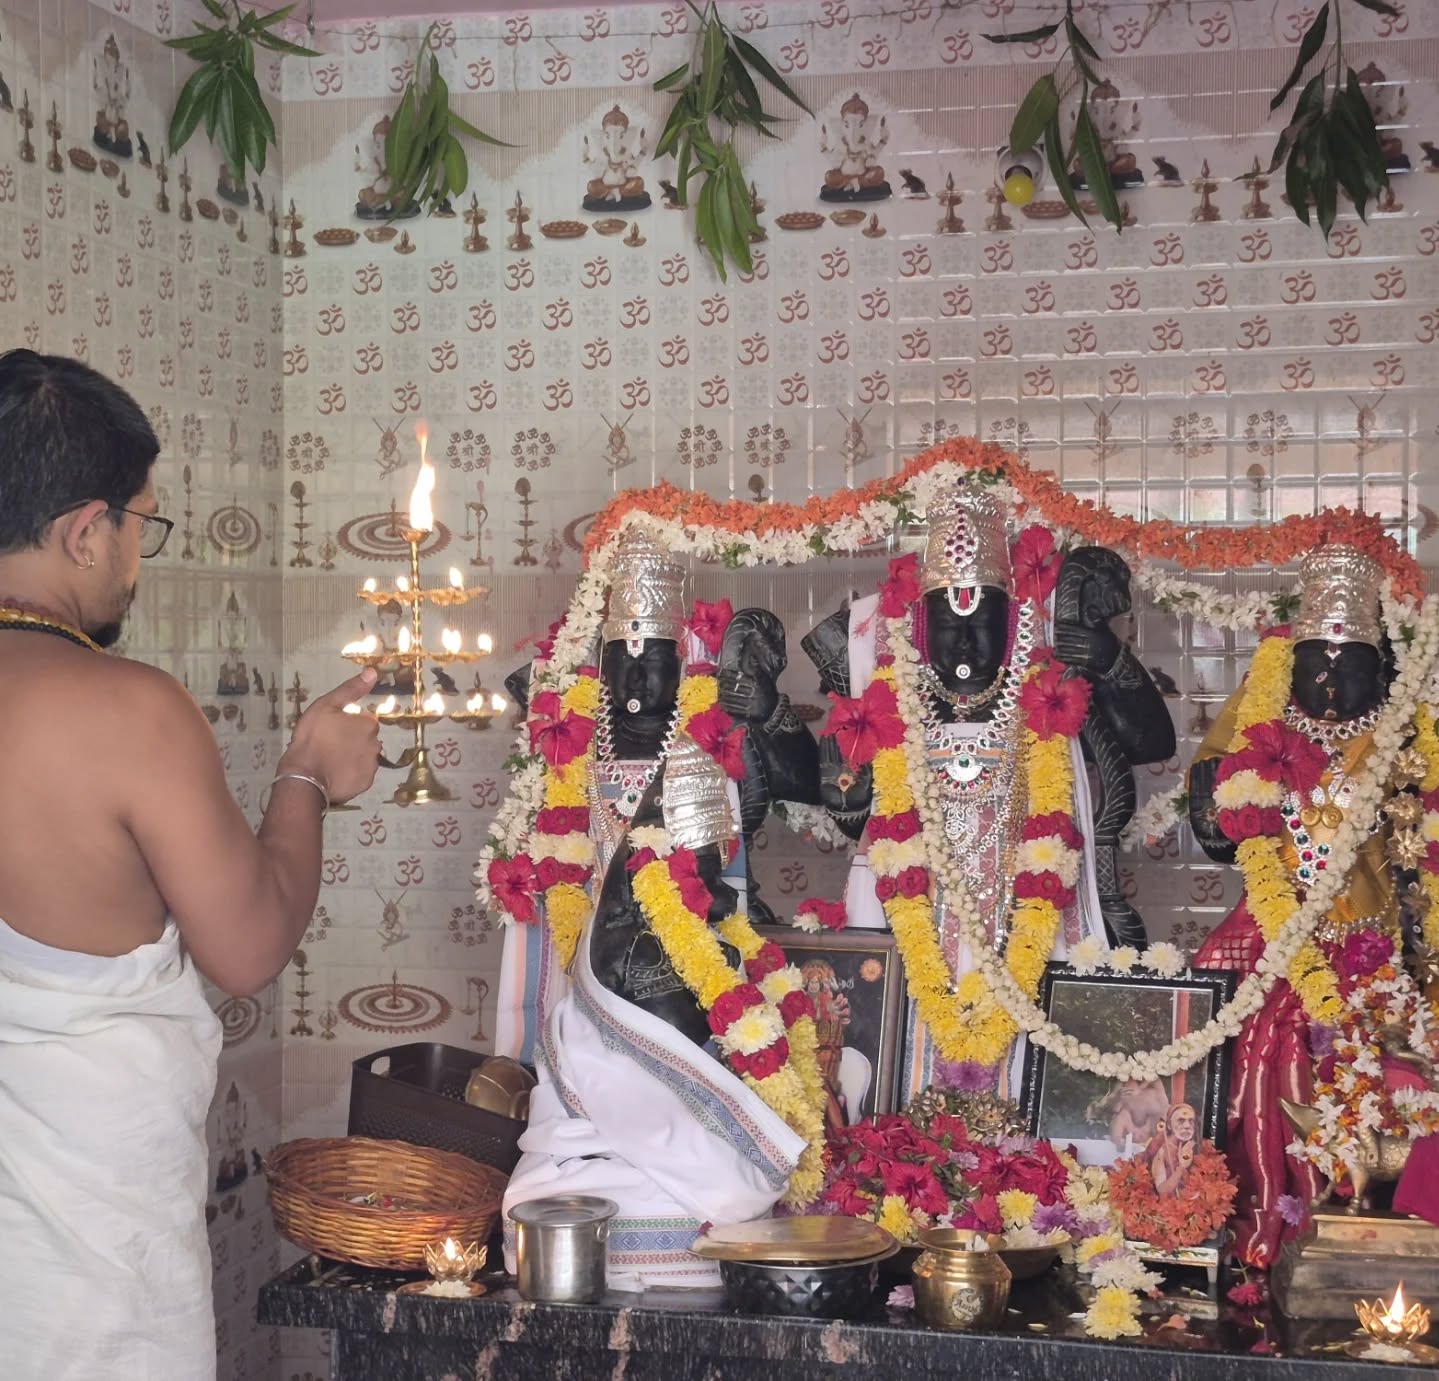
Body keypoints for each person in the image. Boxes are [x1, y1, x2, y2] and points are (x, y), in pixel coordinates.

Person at [0, 350, 381, 1381]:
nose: (136, 556)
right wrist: (305, 775)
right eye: (140, 524)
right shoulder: (123, 709)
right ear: (86, 528)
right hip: (83, 1261)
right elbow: (248, 945)